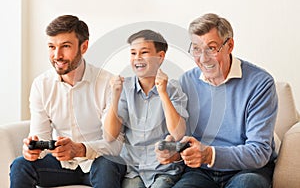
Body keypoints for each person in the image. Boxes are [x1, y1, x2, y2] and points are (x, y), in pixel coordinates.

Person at [156, 13, 278, 188]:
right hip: (200, 171)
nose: (203, 58)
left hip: (247, 171)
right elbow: (181, 136)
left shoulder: (260, 83)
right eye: (196, 49)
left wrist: (209, 154)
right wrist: (172, 150)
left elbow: (259, 152)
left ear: (230, 45)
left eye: (211, 48)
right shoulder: (186, 82)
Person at [10, 15, 126, 188]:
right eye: (51, 47)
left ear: (84, 46)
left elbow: (116, 145)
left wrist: (80, 149)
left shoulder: (108, 83)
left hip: (99, 162)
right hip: (61, 164)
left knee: (107, 165)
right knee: (21, 165)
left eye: (65, 46)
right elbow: (40, 136)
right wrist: (33, 151)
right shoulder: (41, 85)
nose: (57, 55)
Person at [103, 29, 189, 188]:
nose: (137, 58)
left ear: (160, 57)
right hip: (134, 170)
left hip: (165, 170)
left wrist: (162, 93)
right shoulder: (124, 88)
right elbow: (109, 136)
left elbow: (178, 133)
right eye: (133, 53)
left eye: (144, 52)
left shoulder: (173, 88)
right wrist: (115, 95)